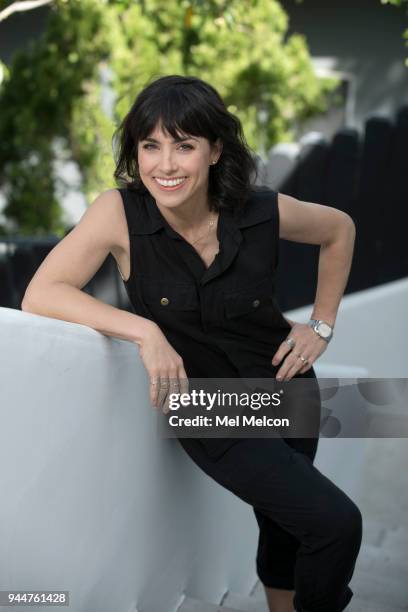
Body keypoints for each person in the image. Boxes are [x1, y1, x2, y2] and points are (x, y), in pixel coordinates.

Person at [21, 74, 362, 612]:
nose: (166, 165)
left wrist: (319, 326)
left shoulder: (257, 209)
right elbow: (41, 293)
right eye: (150, 146)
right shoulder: (120, 213)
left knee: (285, 534)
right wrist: (144, 329)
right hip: (207, 406)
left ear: (214, 150)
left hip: (288, 388)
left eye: (184, 146)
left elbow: (338, 229)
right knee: (337, 524)